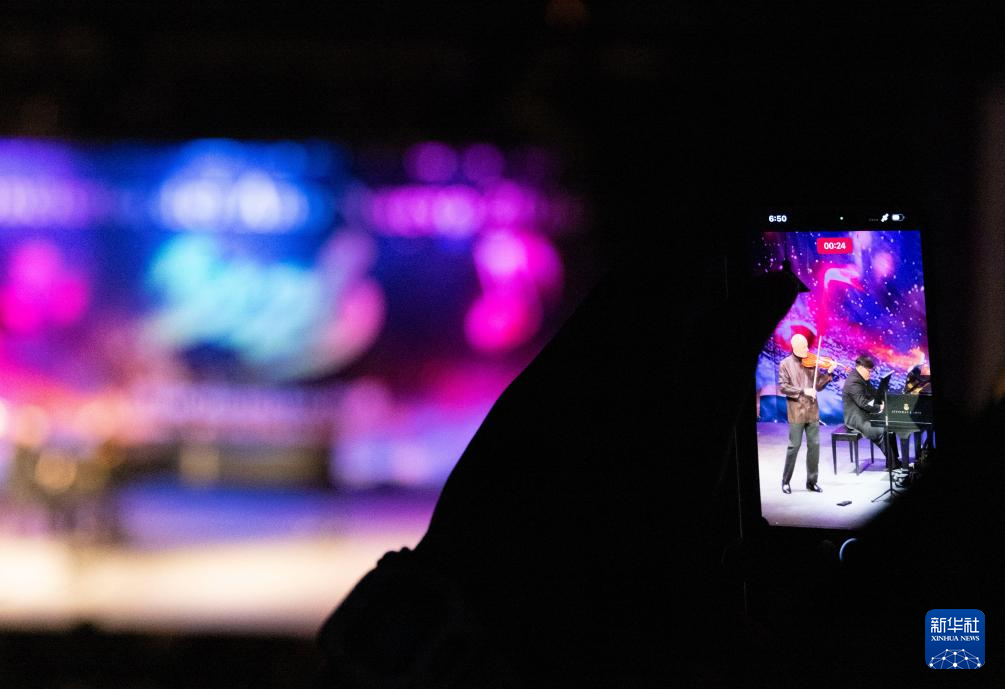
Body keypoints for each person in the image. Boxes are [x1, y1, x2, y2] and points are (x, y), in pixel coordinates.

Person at [777, 333, 835, 494]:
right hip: (796, 412)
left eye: (807, 346)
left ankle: (812, 482)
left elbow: (818, 386)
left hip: (812, 411)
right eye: (804, 347)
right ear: (795, 347)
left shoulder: (811, 362)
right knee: (793, 446)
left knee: (814, 447)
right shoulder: (785, 364)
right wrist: (804, 390)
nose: (807, 349)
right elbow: (783, 387)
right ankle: (785, 481)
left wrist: (829, 374)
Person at [842, 354, 898, 468]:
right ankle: (893, 465)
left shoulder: (862, 378)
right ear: (861, 368)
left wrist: (881, 400)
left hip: (865, 414)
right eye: (869, 371)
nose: (870, 374)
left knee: (890, 426)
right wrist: (879, 408)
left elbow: (873, 394)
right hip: (857, 420)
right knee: (881, 431)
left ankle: (894, 460)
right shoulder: (853, 382)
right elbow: (863, 403)